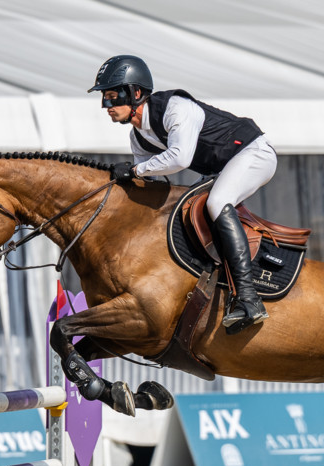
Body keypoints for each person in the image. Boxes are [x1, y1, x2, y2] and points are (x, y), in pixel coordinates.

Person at [88, 54, 276, 334]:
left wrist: (135, 171)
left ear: (136, 93)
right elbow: (148, 185)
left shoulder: (175, 108)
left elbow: (179, 159)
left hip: (253, 153)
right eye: (105, 98)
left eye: (113, 97)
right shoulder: (138, 136)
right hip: (222, 168)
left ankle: (249, 299)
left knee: (217, 203)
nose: (106, 106)